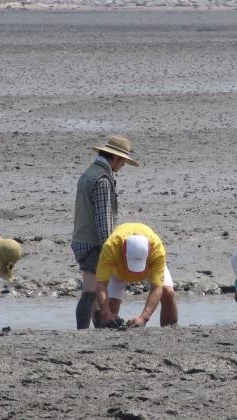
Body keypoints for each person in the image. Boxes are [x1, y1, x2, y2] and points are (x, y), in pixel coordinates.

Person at [71, 135, 139, 329]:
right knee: (90, 291)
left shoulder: (88, 173)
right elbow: (104, 220)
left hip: (81, 238)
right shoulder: (102, 180)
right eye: (123, 161)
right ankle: (81, 331)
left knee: (92, 290)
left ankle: (100, 325)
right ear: (115, 158)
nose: (123, 165)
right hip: (92, 242)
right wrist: (110, 249)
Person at [95, 223, 178, 328]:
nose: (134, 273)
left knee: (168, 292)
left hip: (149, 268)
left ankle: (169, 331)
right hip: (118, 270)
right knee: (110, 309)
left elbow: (157, 287)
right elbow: (101, 284)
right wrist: (106, 313)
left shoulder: (157, 250)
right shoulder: (111, 247)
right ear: (123, 251)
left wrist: (144, 318)